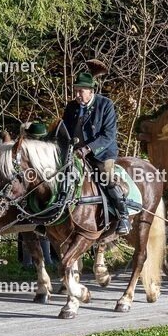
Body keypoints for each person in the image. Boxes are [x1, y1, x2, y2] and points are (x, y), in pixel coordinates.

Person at [61, 66, 130, 235]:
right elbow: (64, 130)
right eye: (75, 91)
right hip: (75, 153)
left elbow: (109, 135)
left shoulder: (105, 105)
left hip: (102, 153)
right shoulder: (71, 107)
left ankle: (123, 217)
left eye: (81, 91)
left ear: (91, 91)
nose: (77, 95)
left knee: (106, 177)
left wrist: (87, 149)